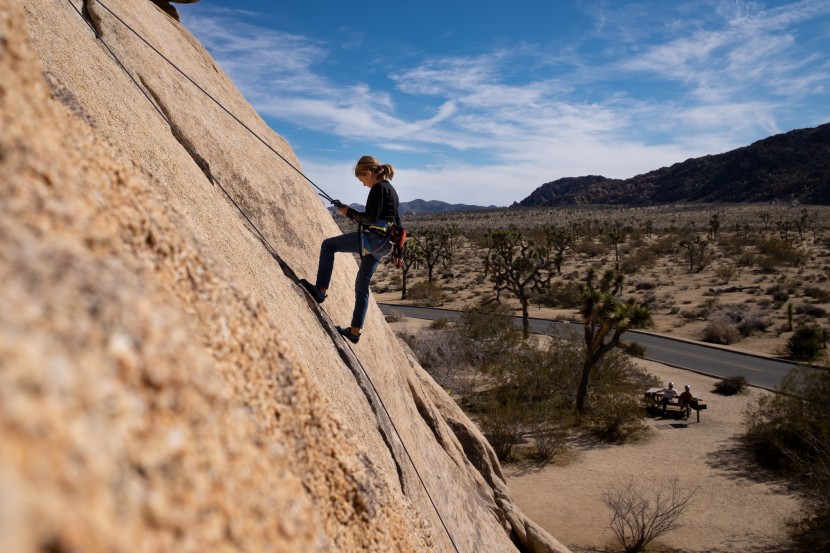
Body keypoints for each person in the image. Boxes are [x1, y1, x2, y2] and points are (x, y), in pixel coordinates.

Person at [300, 156, 400, 344]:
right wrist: (398, 253)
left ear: (368, 172)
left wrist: (348, 213)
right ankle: (354, 332)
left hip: (374, 239)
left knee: (328, 245)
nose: (363, 184)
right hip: (384, 245)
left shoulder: (378, 188)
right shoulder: (391, 190)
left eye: (362, 179)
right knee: (362, 285)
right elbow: (397, 224)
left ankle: (320, 290)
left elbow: (369, 218)